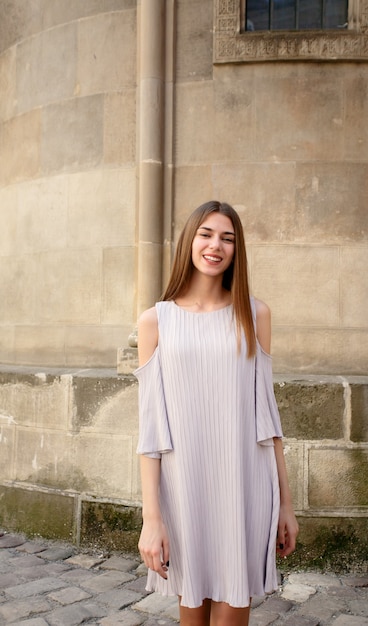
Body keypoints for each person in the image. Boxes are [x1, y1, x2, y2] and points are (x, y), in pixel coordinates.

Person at [135, 200, 298, 626]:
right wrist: (152, 519)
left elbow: (268, 418)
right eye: (206, 234)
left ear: (236, 250)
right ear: (190, 240)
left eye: (227, 238)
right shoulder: (156, 321)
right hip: (183, 485)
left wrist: (286, 504)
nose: (215, 245)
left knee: (232, 607)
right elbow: (150, 430)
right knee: (192, 607)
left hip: (244, 481)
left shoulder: (254, 313)